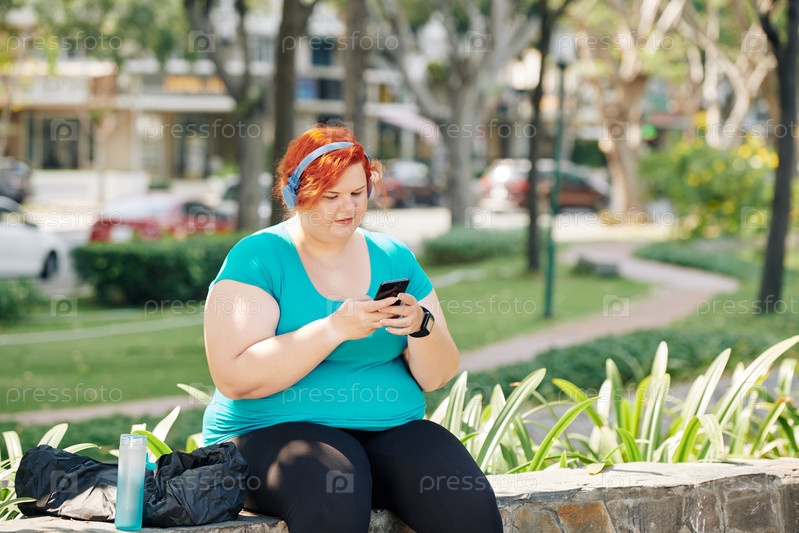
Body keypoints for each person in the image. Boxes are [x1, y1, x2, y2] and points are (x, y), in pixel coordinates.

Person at [202, 125, 503, 533]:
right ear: (294, 195)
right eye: (331, 196)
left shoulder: (393, 256)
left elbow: (437, 376)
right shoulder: (258, 258)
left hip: (387, 430)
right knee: (334, 489)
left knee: (464, 499)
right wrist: (334, 329)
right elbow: (235, 377)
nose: (347, 207)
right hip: (266, 433)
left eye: (357, 192)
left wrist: (420, 326)